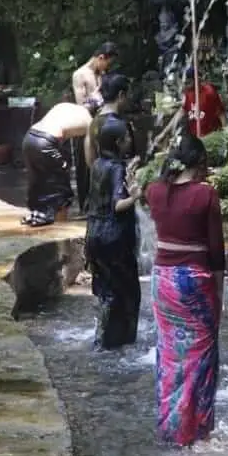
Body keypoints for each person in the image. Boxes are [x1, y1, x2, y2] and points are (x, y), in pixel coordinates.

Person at [145, 131, 225, 446]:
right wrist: (219, 296)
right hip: (193, 281)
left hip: (162, 281)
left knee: (170, 355)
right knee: (201, 356)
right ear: (200, 161)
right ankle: (197, 431)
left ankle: (171, 427)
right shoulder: (206, 195)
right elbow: (216, 254)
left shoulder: (154, 191)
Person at [85, 116, 141, 349]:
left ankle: (103, 338)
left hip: (94, 235)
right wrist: (136, 195)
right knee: (127, 293)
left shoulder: (98, 164)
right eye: (126, 137)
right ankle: (119, 344)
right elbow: (117, 205)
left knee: (107, 292)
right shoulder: (116, 167)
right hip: (114, 239)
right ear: (118, 142)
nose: (130, 140)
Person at [21, 101, 96, 227]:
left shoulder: (64, 106)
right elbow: (89, 158)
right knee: (61, 190)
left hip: (29, 138)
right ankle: (61, 227)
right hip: (45, 143)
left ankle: (37, 215)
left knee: (38, 183)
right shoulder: (90, 121)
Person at [71, 41, 118, 212]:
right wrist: (96, 95)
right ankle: (85, 205)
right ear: (101, 58)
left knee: (103, 163)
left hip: (102, 123)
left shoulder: (102, 73)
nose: (108, 67)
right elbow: (81, 104)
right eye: (108, 63)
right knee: (85, 167)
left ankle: (102, 201)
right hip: (85, 125)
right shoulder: (80, 75)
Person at [85, 73, 132, 168]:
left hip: (98, 174)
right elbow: (128, 156)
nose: (129, 100)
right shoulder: (120, 125)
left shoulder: (93, 122)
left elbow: (90, 158)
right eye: (128, 95)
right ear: (121, 95)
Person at [182, 66, 227, 138]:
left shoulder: (209, 92)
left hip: (210, 135)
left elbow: (221, 114)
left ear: (197, 80)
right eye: (186, 83)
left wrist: (226, 133)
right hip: (194, 137)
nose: (186, 85)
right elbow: (182, 111)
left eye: (189, 82)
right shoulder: (187, 94)